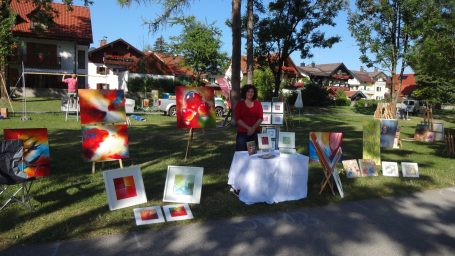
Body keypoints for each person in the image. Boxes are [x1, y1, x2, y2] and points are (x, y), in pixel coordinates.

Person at [235, 84, 263, 151]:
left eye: (252, 92)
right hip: (242, 133)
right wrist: (249, 128)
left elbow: (260, 118)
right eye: (248, 91)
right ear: (245, 92)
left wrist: (252, 129)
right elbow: (238, 119)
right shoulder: (239, 104)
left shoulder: (258, 104)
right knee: (241, 153)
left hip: (254, 133)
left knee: (251, 153)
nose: (250, 93)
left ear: (254, 93)